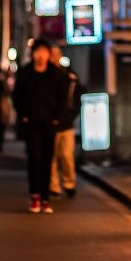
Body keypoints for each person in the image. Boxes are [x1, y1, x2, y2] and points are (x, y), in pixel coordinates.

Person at [12, 39, 69, 214]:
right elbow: (17, 96)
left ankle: (46, 198)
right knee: (34, 158)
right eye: (38, 51)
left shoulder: (56, 74)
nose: (41, 55)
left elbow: (62, 98)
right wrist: (24, 116)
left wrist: (57, 119)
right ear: (33, 53)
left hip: (49, 123)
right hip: (31, 123)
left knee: (47, 158)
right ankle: (35, 195)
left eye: (44, 51)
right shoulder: (25, 73)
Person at [50, 55, 82, 198]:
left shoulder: (70, 77)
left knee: (67, 156)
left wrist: (72, 114)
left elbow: (77, 96)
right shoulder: (47, 75)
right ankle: (54, 186)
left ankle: (69, 184)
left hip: (67, 123)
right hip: (52, 124)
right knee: (52, 157)